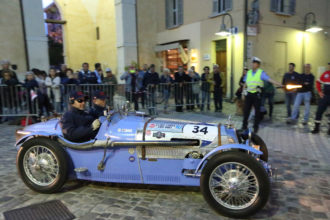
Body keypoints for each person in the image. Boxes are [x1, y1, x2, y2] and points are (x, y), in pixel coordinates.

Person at [242, 57, 282, 133]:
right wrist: (243, 93)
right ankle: (244, 126)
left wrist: (279, 84)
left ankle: (255, 127)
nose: (253, 64)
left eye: (254, 63)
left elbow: (269, 79)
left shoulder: (261, 73)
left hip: (257, 95)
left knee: (257, 112)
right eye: (252, 63)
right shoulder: (249, 72)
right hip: (249, 94)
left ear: (258, 65)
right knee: (246, 111)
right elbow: (245, 83)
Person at [311, 62, 330, 135]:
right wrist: (319, 92)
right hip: (325, 96)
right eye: (328, 65)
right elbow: (318, 82)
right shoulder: (325, 74)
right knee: (319, 112)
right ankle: (316, 128)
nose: (329, 67)